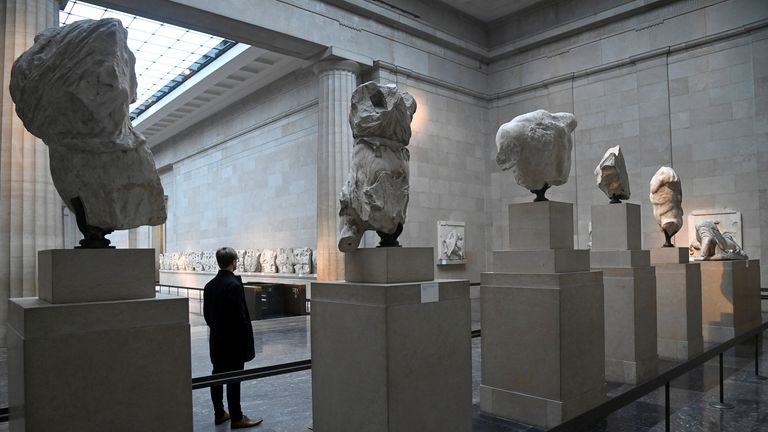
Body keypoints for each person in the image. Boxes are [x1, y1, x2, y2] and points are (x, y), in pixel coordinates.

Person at [204, 247, 263, 428]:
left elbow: (207, 316)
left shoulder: (209, 286)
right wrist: (246, 342)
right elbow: (240, 318)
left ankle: (220, 413)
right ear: (234, 262)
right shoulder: (234, 286)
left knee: (217, 375)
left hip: (216, 340)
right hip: (233, 342)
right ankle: (237, 417)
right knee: (233, 378)